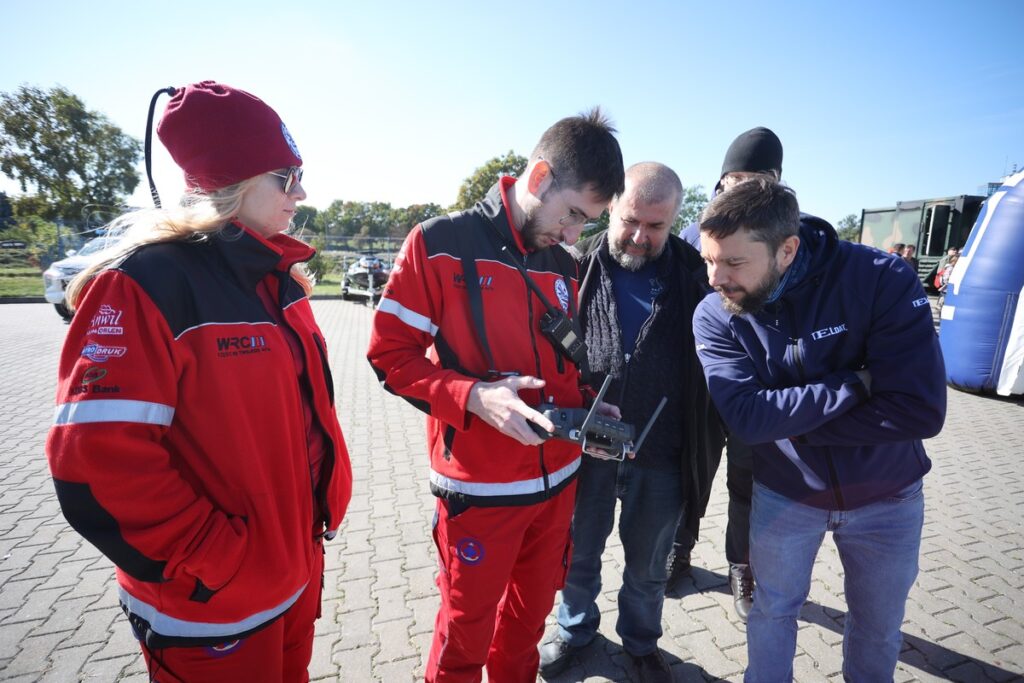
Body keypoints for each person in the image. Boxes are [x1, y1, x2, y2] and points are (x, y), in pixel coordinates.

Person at [45, 81, 353, 682]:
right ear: (232, 182)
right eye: (285, 176)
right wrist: (223, 562)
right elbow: (95, 463)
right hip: (214, 610)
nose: (303, 192)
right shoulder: (146, 283)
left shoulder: (279, 279)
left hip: (292, 574)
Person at [366, 109, 624, 682]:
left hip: (558, 487)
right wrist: (474, 397)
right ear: (538, 180)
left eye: (589, 222)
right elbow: (389, 357)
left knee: (527, 630)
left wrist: (589, 405)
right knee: (465, 637)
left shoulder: (563, 262)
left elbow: (565, 362)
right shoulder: (437, 243)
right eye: (573, 215)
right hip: (477, 493)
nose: (575, 234)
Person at [693, 177, 946, 682]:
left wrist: (789, 424)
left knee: (877, 629)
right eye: (707, 260)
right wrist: (854, 384)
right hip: (784, 495)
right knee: (771, 613)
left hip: (887, 497)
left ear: (786, 250)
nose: (715, 278)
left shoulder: (880, 278)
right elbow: (745, 418)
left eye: (734, 262)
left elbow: (920, 411)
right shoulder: (715, 314)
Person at [539, 163, 725, 681]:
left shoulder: (694, 273)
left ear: (675, 221)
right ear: (613, 207)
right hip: (586, 446)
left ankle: (641, 643)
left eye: (657, 227)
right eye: (630, 221)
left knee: (649, 566)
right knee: (580, 553)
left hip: (662, 452)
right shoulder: (573, 262)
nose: (641, 237)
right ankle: (575, 629)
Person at [669, 126, 784, 621]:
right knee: (689, 472)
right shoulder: (695, 236)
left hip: (754, 386)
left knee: (747, 479)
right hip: (697, 382)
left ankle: (741, 564)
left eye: (752, 180)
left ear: (775, 182)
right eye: (732, 180)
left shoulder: (783, 234)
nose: (738, 190)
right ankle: (679, 547)